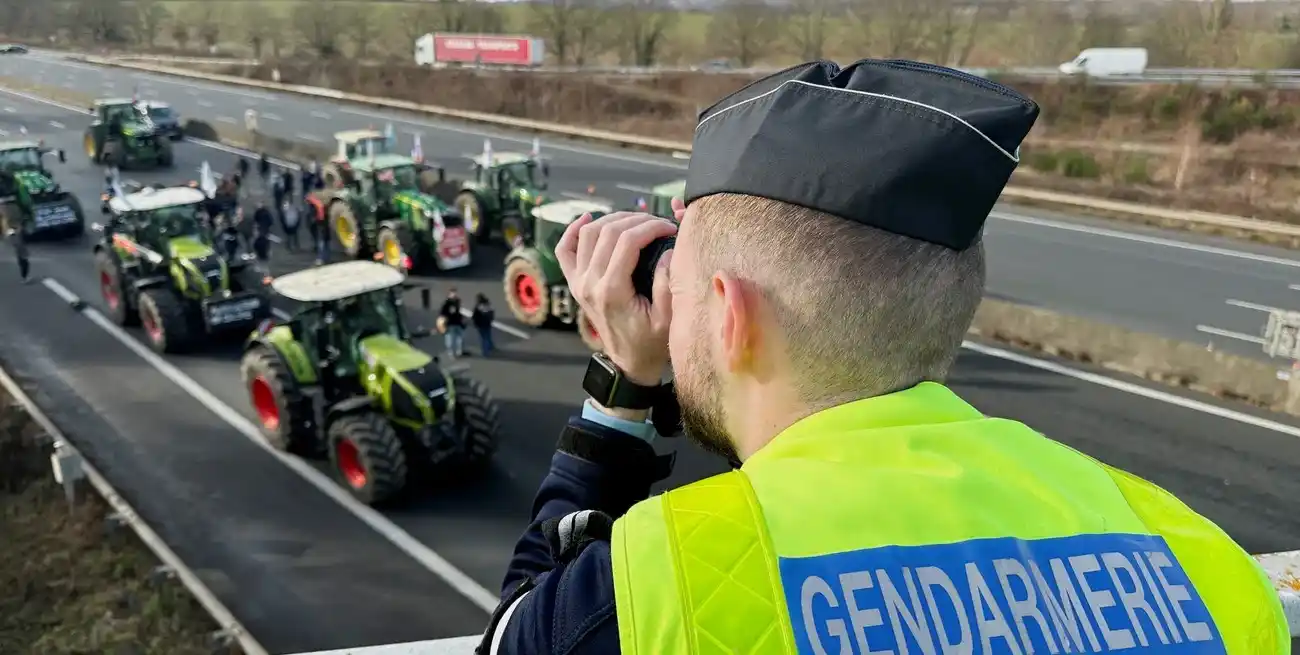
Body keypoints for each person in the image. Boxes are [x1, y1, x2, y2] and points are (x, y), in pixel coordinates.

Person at [480, 60, 1289, 654]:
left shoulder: (654, 583)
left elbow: (515, 631)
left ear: (728, 314)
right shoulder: (1200, 558)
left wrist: (621, 391)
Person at [439, 287, 464, 358]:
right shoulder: (447, 303)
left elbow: (458, 311)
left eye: (455, 293)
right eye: (453, 293)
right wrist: (444, 320)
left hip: (458, 322)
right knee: (450, 338)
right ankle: (451, 352)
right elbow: (442, 313)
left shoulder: (457, 301)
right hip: (450, 323)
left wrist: (461, 319)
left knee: (460, 337)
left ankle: (458, 351)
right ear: (450, 294)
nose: (455, 295)